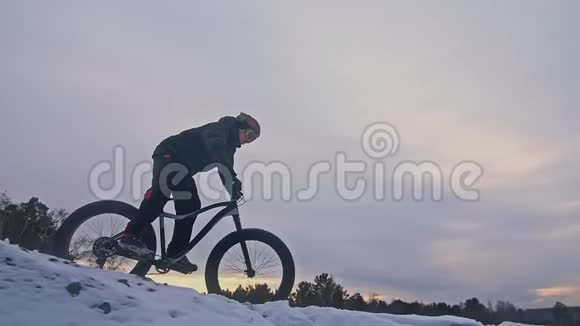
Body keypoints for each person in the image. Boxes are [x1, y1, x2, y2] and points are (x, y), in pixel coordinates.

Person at [119, 113, 261, 272]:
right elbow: (216, 148)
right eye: (249, 135)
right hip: (170, 154)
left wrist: (232, 187)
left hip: (182, 168)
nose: (248, 141)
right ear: (240, 127)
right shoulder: (221, 129)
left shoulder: (229, 148)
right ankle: (129, 237)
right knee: (162, 192)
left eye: (252, 139)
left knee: (191, 205)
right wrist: (232, 177)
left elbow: (224, 168)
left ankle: (175, 255)